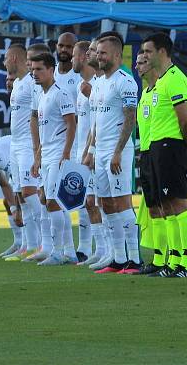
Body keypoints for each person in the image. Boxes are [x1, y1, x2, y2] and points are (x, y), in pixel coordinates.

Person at [141, 33, 187, 277]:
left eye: (148, 51)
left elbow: (184, 119)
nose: (144, 55)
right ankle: (173, 261)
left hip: (170, 146)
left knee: (179, 203)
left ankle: (185, 262)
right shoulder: (161, 81)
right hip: (157, 146)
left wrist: (186, 144)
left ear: (162, 52)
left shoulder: (175, 79)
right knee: (166, 205)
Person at [83, 37, 141, 274]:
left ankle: (135, 260)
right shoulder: (98, 83)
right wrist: (92, 150)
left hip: (119, 151)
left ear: (117, 55)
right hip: (101, 151)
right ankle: (118, 258)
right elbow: (96, 122)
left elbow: (130, 118)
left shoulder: (125, 82)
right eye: (97, 52)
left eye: (103, 53)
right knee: (105, 203)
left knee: (122, 202)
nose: (99, 56)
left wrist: (117, 151)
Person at [29, 52, 77, 266]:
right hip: (46, 154)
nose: (34, 73)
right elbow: (44, 130)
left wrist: (66, 153)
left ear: (51, 70)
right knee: (49, 201)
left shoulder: (61, 94)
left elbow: (71, 123)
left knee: (53, 202)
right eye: (32, 69)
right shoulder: (41, 96)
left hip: (58, 154)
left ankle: (57, 251)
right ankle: (69, 251)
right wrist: (37, 156)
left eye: (39, 69)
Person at [2, 44, 42, 262]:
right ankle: (30, 245)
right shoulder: (17, 83)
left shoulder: (31, 83)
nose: (4, 62)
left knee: (30, 192)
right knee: (21, 196)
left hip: (28, 144)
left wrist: (37, 148)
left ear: (15, 58)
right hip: (15, 145)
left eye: (6, 58)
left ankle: (46, 242)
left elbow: (37, 113)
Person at [71, 40, 104, 266]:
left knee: (101, 203)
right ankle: (99, 250)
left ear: (83, 57)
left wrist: (90, 149)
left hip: (95, 152)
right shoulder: (80, 85)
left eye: (74, 55)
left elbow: (101, 122)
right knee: (87, 203)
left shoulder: (97, 85)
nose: (72, 60)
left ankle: (112, 251)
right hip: (81, 152)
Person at [133, 50, 166, 275]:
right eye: (137, 63)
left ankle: (171, 256)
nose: (138, 67)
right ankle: (158, 256)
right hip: (145, 155)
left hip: (159, 153)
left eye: (143, 62)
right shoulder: (145, 93)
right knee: (153, 208)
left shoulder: (162, 89)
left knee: (166, 207)